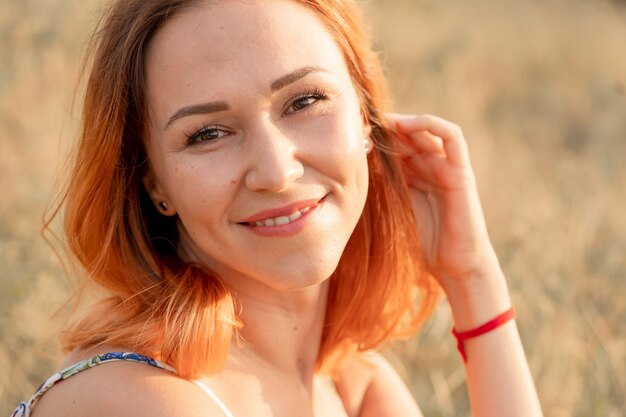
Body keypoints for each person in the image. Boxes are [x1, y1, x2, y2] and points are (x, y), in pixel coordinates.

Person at [12, 0, 543, 416]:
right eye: (208, 134)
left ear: (366, 118)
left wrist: (472, 277)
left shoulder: (351, 386)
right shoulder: (137, 398)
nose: (277, 171)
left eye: (304, 101)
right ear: (154, 184)